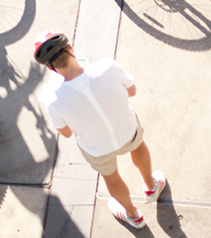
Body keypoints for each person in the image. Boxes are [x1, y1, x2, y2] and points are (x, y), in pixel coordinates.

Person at [35, 31, 166, 229]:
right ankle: (151, 186)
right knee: (138, 149)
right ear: (70, 48)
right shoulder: (108, 67)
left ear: (48, 67)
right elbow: (132, 91)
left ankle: (133, 215)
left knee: (111, 177)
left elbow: (67, 132)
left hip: (97, 148)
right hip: (128, 130)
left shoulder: (52, 99)